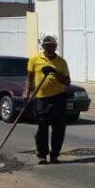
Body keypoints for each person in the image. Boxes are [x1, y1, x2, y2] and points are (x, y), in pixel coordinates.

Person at [26, 35, 71, 165]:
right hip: (41, 99)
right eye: (48, 46)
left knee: (58, 128)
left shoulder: (61, 62)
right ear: (43, 47)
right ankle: (42, 155)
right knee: (42, 128)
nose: (51, 48)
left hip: (58, 97)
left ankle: (54, 155)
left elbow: (67, 82)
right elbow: (29, 79)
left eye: (53, 46)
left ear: (56, 47)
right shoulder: (35, 59)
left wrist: (55, 72)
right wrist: (26, 95)